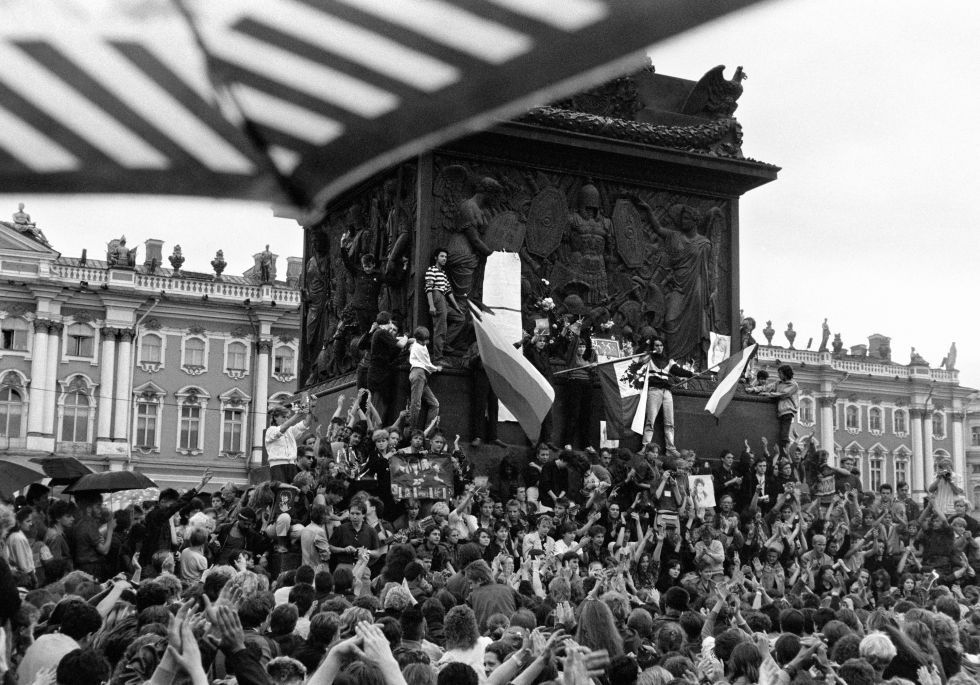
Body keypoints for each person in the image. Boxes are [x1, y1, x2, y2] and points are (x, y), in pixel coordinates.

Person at [635, 336, 693, 455]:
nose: (659, 348)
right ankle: (646, 447)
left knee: (669, 423)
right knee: (650, 421)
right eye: (656, 345)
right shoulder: (649, 358)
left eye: (661, 345)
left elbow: (678, 371)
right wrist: (647, 343)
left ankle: (671, 449)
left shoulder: (668, 360)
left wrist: (690, 373)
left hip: (667, 392)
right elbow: (638, 357)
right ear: (653, 346)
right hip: (654, 391)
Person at [425, 247, 465, 362]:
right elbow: (428, 289)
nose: (444, 259)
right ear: (436, 257)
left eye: (446, 257)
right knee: (440, 327)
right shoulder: (431, 270)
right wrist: (431, 305)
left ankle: (445, 343)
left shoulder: (443, 273)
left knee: (460, 318)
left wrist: (456, 307)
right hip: (436, 296)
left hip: (444, 299)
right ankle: (438, 357)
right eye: (442, 256)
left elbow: (448, 291)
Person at [408, 326, 442, 429]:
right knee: (416, 404)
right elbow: (427, 364)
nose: (425, 342)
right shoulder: (418, 347)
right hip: (418, 373)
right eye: (423, 340)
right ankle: (412, 431)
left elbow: (412, 340)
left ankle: (428, 431)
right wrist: (437, 368)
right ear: (418, 340)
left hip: (421, 375)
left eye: (426, 340)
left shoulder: (416, 343)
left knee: (434, 404)